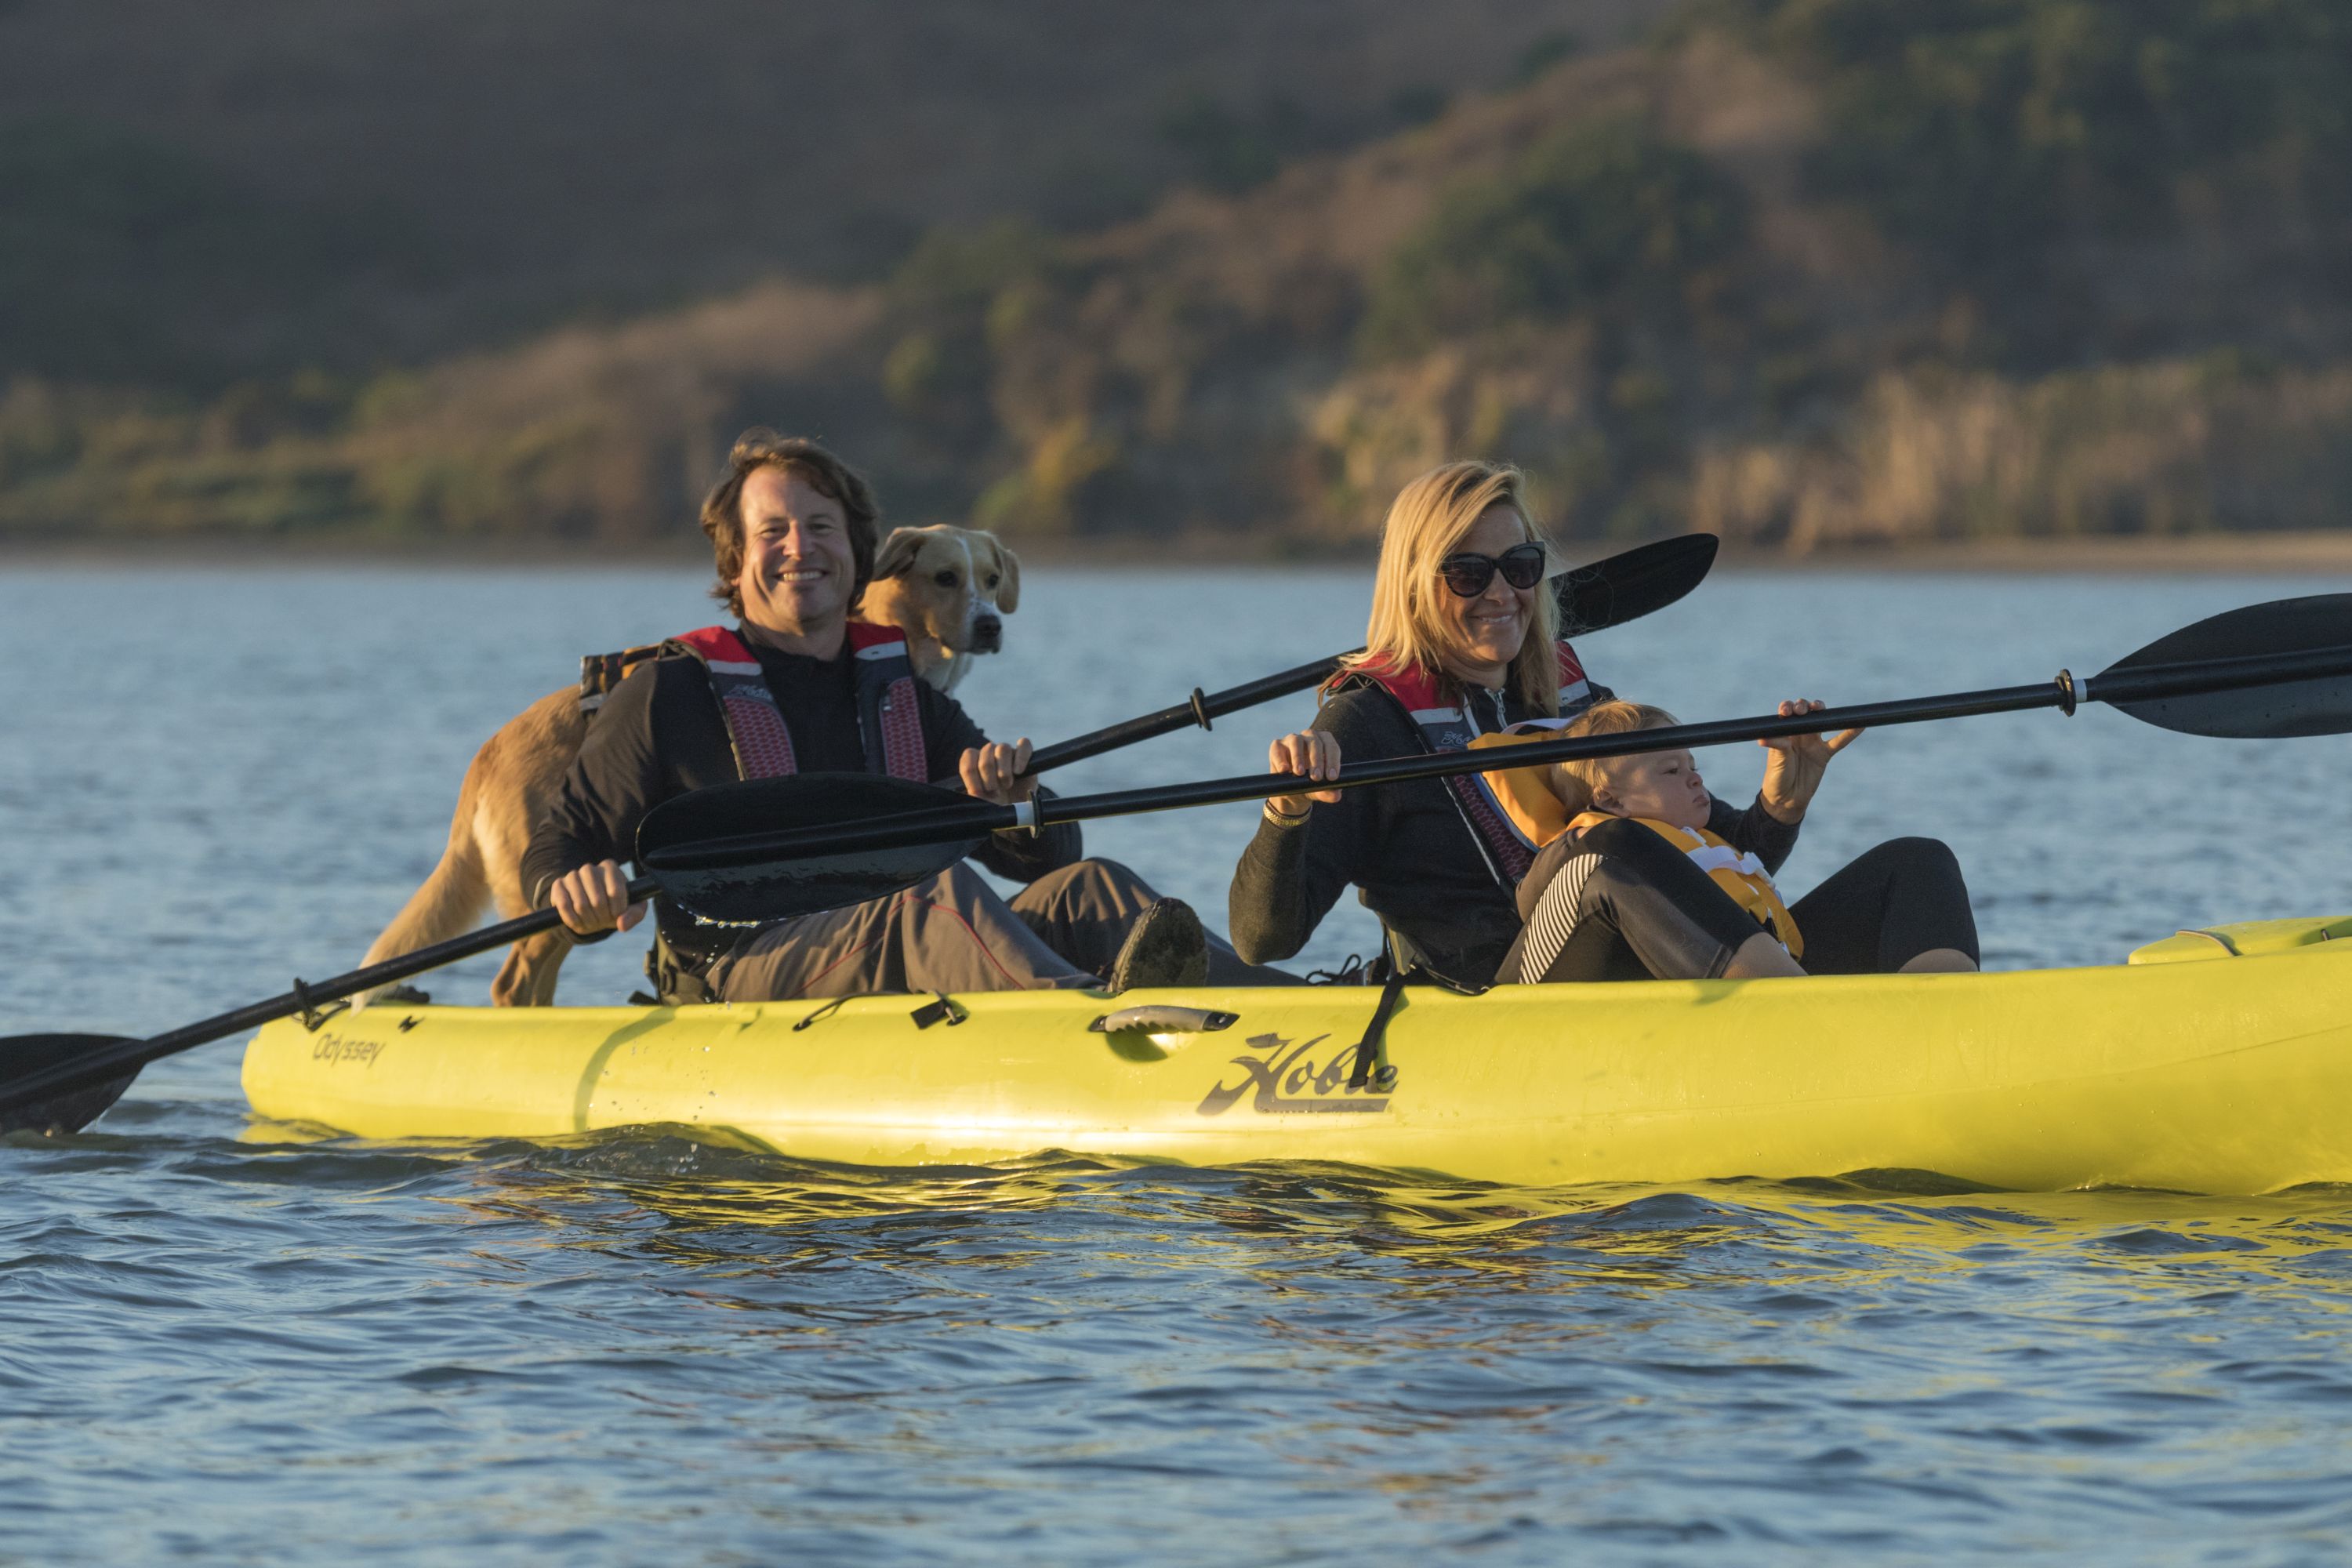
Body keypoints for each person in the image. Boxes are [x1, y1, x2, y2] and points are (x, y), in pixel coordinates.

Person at [524, 428, 1236, 1002]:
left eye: (821, 527)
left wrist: (1019, 803)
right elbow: (560, 841)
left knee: (1094, 886)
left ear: (859, 556)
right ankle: (1098, 1025)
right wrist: (572, 893)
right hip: (734, 972)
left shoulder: (903, 696)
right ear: (736, 563)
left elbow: (1048, 858)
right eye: (773, 532)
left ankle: (1290, 1016)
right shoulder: (667, 692)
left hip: (885, 939)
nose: (800, 547)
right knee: (935, 895)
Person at [1229, 458, 1827, 988]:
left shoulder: (1578, 700)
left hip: (1627, 971)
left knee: (1908, 868)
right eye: (1468, 573)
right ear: (1414, 585)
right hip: (1491, 1002)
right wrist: (1287, 814)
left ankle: (1880, 1026)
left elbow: (1704, 869)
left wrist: (1781, 808)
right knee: (1606, 844)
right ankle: (1799, 1017)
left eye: (1519, 567)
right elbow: (1264, 942)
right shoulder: (1365, 723)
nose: (1502, 593)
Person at [1475, 700, 1980, 983]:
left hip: (1757, 982)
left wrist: (1782, 808)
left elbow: (1745, 845)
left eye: (1694, 767)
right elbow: (1540, 893)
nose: (1695, 780)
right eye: (1672, 770)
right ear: (1611, 798)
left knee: (1918, 859)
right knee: (1616, 846)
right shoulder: (1596, 844)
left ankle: (1940, 1014)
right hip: (1529, 997)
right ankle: (1806, 1016)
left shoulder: (1693, 833)